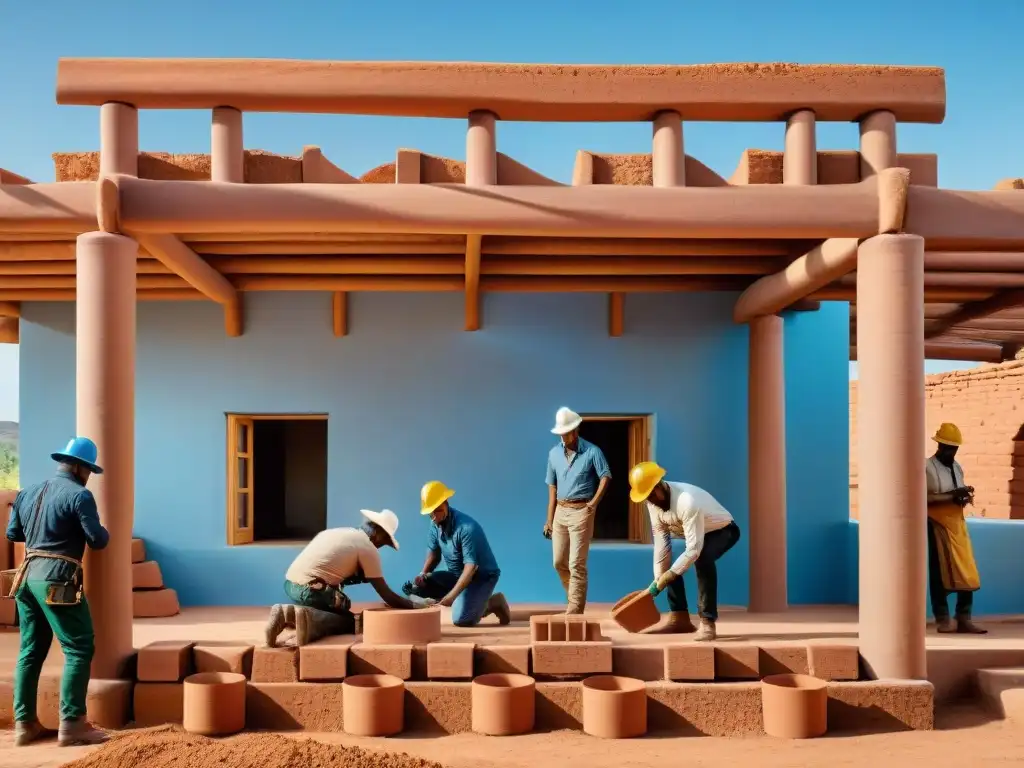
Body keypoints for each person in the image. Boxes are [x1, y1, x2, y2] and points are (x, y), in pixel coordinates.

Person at [6, 437, 111, 747]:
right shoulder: (80, 496)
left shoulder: (26, 493)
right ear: (80, 468)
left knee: (30, 651)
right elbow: (98, 540)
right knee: (78, 648)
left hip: (26, 577)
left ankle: (24, 725)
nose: (89, 475)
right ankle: (73, 724)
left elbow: (13, 534)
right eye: (89, 469)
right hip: (56, 578)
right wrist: (102, 529)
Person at [266, 509, 420, 647]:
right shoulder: (367, 547)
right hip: (309, 590)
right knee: (351, 621)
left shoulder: (339, 533)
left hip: (290, 586)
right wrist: (414, 605)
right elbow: (386, 594)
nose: (380, 546)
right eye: (384, 542)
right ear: (378, 534)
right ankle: (306, 620)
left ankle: (288, 615)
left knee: (339, 603)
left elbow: (328, 570)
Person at [628, 461, 740, 641]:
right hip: (697, 533)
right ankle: (679, 619)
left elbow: (694, 550)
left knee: (702, 558)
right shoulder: (653, 504)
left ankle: (707, 622)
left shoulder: (686, 501)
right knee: (672, 567)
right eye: (646, 498)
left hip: (723, 531)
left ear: (659, 485)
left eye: (651, 495)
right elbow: (661, 544)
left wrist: (667, 576)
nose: (651, 500)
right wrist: (659, 577)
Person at [405, 481, 511, 627]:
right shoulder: (435, 524)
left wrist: (451, 596)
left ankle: (492, 603)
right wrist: (422, 574)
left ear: (446, 503)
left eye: (437, 510)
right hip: (457, 575)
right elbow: (434, 555)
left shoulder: (467, 528)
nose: (434, 516)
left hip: (481, 577)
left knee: (462, 619)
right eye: (431, 512)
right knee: (419, 589)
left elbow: (471, 568)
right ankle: (468, 600)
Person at [543, 407, 611, 615]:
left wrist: (593, 504)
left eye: (566, 432)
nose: (563, 437)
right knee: (558, 562)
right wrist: (548, 520)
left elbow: (605, 476)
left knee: (576, 563)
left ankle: (575, 607)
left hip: (582, 510)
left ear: (576, 430)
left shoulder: (592, 451)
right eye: (560, 433)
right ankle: (573, 596)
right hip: (560, 512)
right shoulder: (553, 454)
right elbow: (552, 489)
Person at [926, 422, 986, 634]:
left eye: (954, 448)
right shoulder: (927, 467)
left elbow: (955, 493)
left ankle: (963, 617)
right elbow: (922, 497)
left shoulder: (957, 467)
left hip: (957, 523)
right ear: (939, 445)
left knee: (967, 571)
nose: (951, 452)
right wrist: (951, 495)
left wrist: (963, 495)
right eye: (948, 447)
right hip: (936, 525)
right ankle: (942, 618)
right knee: (939, 572)